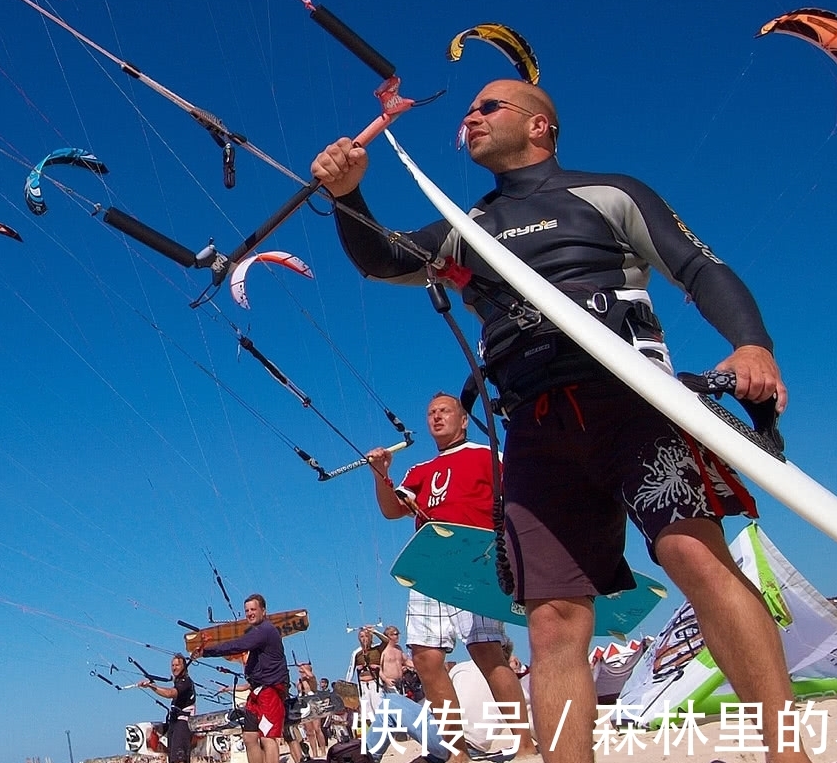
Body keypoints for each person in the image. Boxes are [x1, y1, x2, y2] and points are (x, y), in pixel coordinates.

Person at [312, 79, 807, 763]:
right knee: (552, 620)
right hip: (536, 432)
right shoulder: (465, 228)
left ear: (540, 125)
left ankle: (787, 751)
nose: (471, 116)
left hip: (634, 405)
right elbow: (385, 257)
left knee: (693, 553)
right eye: (470, 108)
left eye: (489, 106)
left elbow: (700, 267)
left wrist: (752, 343)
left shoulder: (610, 193)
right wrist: (348, 196)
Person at [366, 393, 537, 760]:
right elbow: (392, 510)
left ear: (462, 420)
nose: (436, 417)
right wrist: (381, 475)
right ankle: (456, 753)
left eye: (445, 411)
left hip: (475, 563)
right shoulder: (420, 471)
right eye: (430, 413)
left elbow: (521, 497)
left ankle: (524, 744)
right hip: (430, 568)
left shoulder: (488, 457)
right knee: (426, 659)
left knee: (487, 651)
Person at [198, 593, 290, 763]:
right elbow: (239, 650)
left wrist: (207, 652)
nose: (249, 613)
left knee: (267, 737)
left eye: (253, 609)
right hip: (256, 692)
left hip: (271, 690)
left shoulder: (265, 630)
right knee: (249, 737)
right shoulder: (257, 633)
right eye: (247, 610)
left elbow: (238, 645)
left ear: (263, 610)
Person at [140, 653, 197, 763]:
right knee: (172, 757)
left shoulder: (186, 682)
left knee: (179, 757)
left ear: (184, 667)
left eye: (177, 665)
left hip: (183, 721)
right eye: (172, 665)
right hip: (174, 721)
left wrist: (152, 686)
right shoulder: (177, 681)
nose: (174, 668)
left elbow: (170, 693)